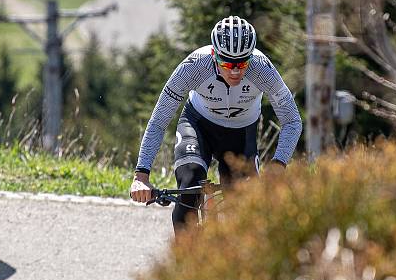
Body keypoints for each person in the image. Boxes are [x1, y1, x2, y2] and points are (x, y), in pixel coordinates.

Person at [129, 16, 302, 233]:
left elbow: (292, 120)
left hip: (241, 136)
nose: (236, 71)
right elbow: (159, 121)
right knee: (190, 188)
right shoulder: (194, 66)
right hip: (199, 127)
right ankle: (186, 262)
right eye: (228, 63)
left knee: (247, 212)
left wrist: (278, 165)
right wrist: (141, 176)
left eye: (242, 63)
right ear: (214, 55)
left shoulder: (262, 69)